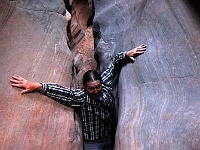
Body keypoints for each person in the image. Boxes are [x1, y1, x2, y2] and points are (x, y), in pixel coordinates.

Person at [10, 44, 146, 150]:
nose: (95, 90)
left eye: (97, 86)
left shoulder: (104, 83)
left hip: (108, 137)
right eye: (91, 88)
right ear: (85, 88)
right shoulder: (81, 97)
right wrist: (37, 85)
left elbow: (114, 65)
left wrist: (127, 54)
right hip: (93, 143)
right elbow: (62, 92)